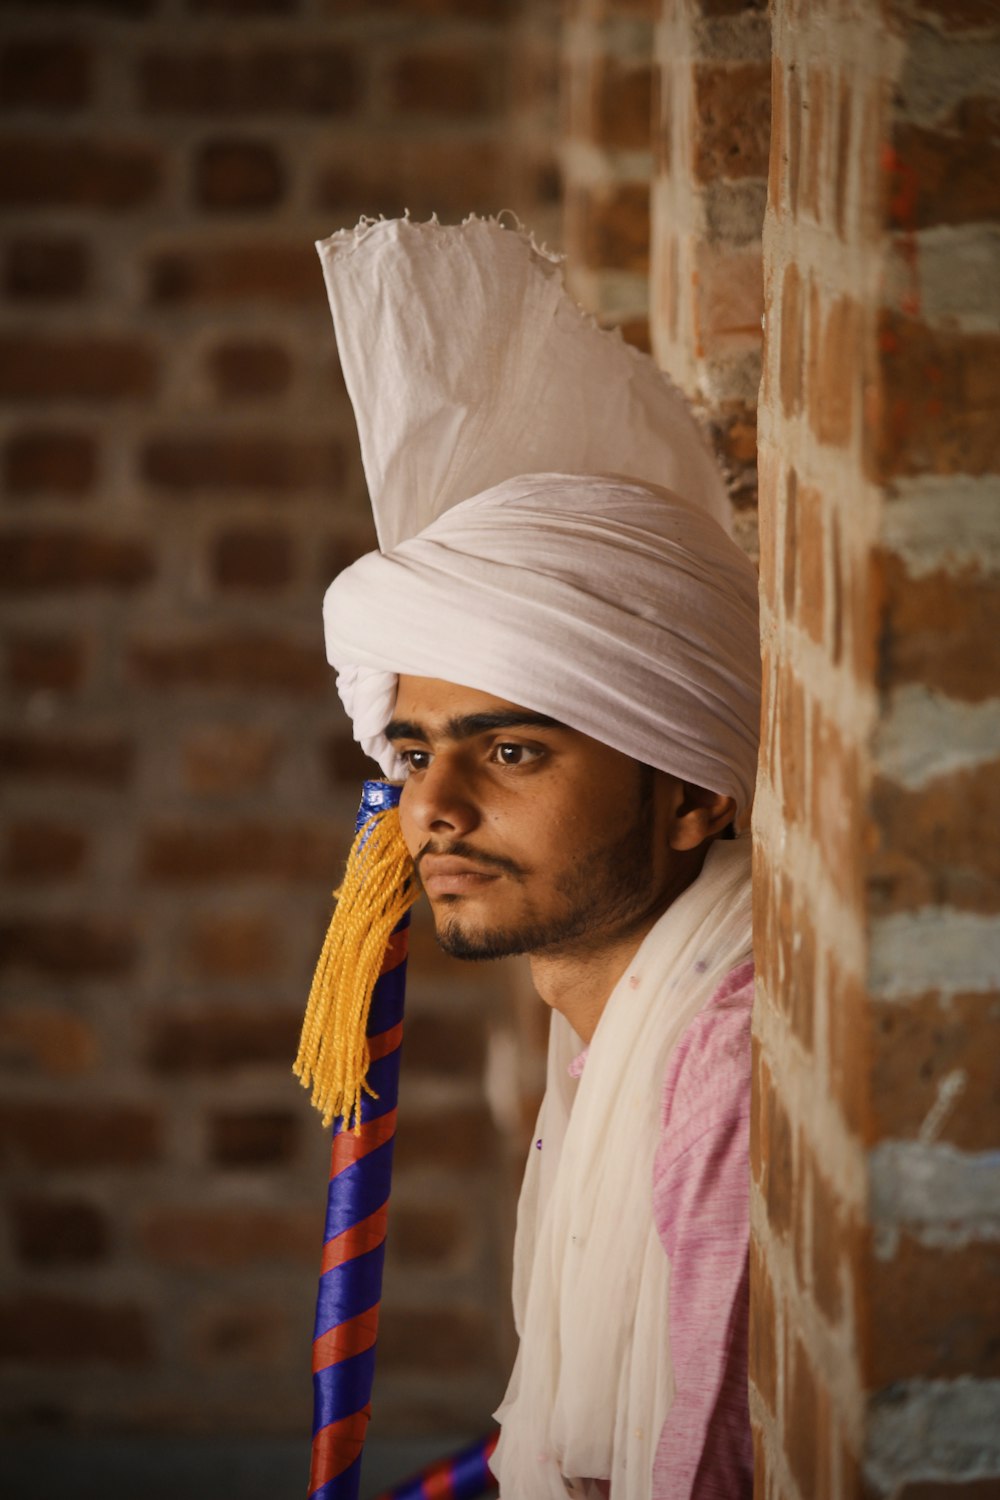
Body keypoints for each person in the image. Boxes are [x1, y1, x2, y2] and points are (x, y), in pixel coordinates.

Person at [307, 217, 760, 1499]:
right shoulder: (605, 1016)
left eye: (509, 755)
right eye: (413, 754)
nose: (432, 810)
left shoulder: (718, 1078)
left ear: (693, 794)